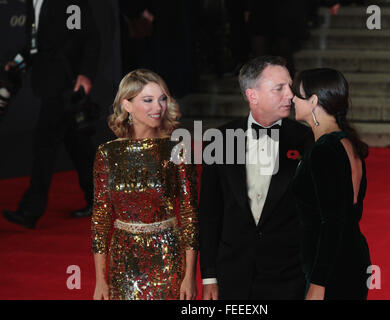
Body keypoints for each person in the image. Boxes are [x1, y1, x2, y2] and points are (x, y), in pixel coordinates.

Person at [199, 55, 314, 300]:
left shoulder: (305, 139)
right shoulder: (219, 139)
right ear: (253, 95)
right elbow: (210, 212)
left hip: (288, 275)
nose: (290, 95)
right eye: (279, 88)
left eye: (290, 87)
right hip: (232, 274)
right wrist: (209, 276)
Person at [92, 69, 199, 300]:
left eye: (162, 99)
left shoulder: (177, 149)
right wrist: (100, 280)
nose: (158, 107)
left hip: (167, 257)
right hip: (122, 260)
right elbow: (101, 218)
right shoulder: (108, 153)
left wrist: (190, 275)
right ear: (127, 105)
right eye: (148, 100)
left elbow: (190, 213)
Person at [3, 0, 99, 228]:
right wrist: (17, 63)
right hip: (49, 83)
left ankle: (30, 210)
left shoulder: (68, 3)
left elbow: (88, 37)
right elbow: (37, 44)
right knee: (78, 146)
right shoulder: (32, 2)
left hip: (64, 85)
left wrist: (84, 75)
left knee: (44, 146)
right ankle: (98, 200)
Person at [291, 68, 371, 300]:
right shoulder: (346, 142)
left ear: (313, 101)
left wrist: (318, 283)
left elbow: (332, 221)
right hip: (351, 257)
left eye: (298, 94)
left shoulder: (324, 150)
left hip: (331, 270)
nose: (292, 99)